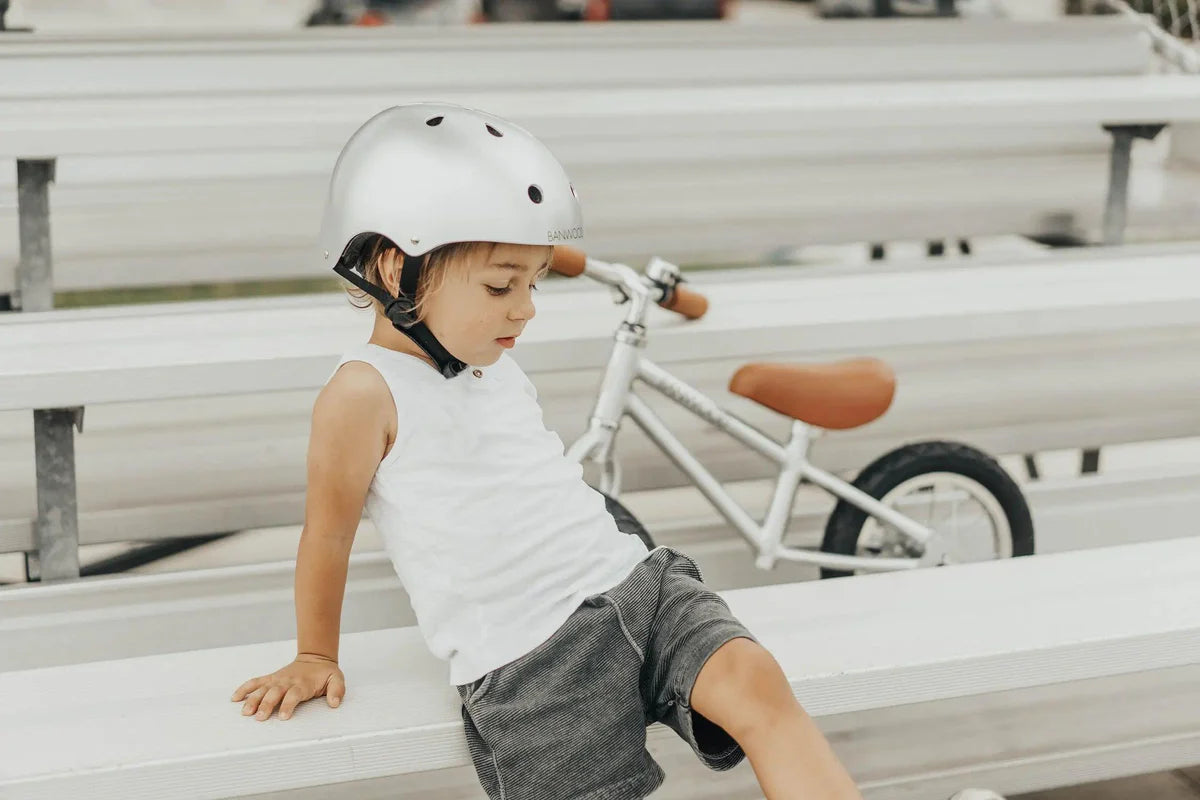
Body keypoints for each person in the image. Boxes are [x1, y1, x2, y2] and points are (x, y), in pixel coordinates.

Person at [229, 102, 984, 800]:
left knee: (757, 684)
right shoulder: (362, 394)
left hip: (637, 587)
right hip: (535, 664)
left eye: (532, 282)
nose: (524, 308)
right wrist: (315, 655)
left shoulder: (489, 356)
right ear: (396, 269)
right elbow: (325, 535)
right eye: (501, 286)